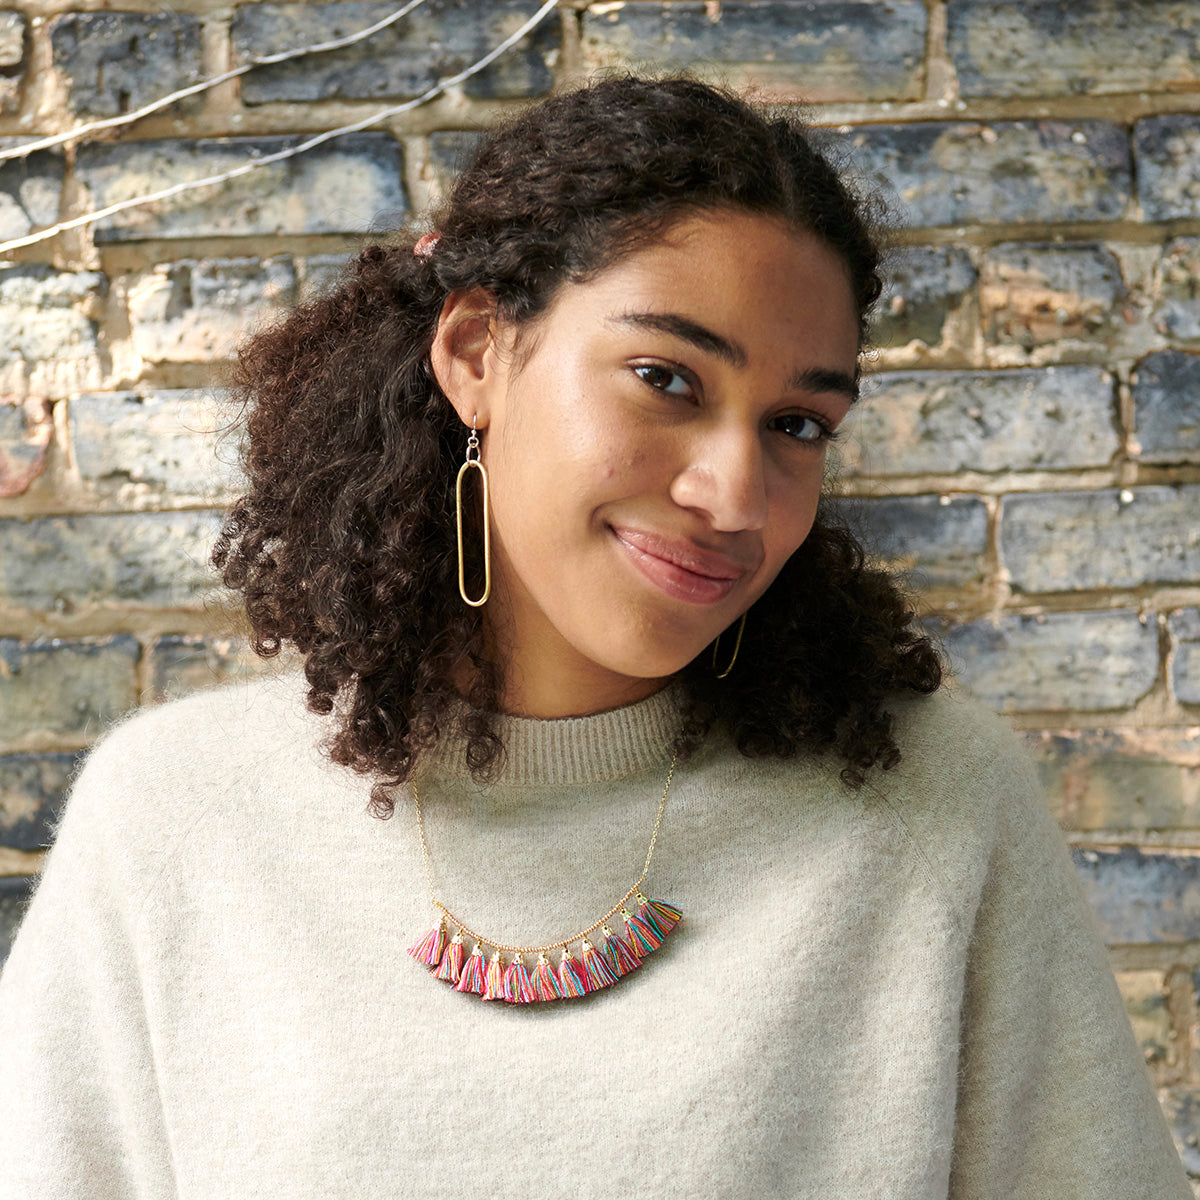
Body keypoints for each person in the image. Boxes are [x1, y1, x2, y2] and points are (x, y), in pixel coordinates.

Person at [0, 74, 1190, 1199]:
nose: (736, 492)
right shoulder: (177, 819)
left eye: (797, 422)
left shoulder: (935, 809)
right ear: (477, 356)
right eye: (665, 378)